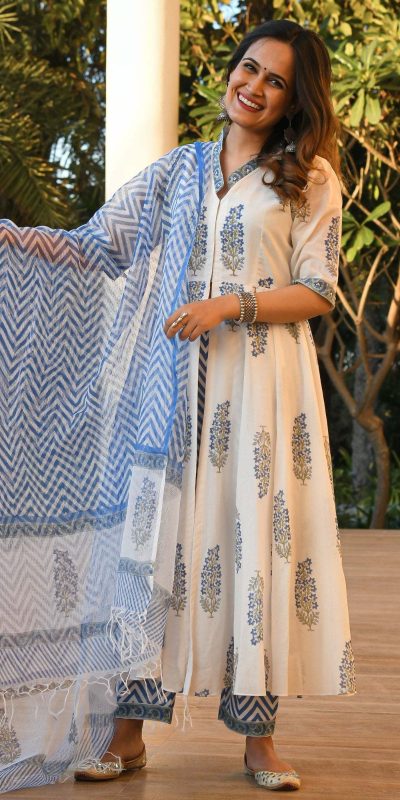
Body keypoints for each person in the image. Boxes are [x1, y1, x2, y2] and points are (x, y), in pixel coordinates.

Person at [0, 19, 355, 795]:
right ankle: (126, 736)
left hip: (260, 393)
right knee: (152, 545)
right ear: (231, 71)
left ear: (294, 99)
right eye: (248, 68)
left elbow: (317, 290)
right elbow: (99, 246)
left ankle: (260, 742)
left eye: (275, 81)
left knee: (252, 542)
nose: (253, 87)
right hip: (168, 391)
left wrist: (228, 305)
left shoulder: (309, 178)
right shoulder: (178, 171)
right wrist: (18, 242)